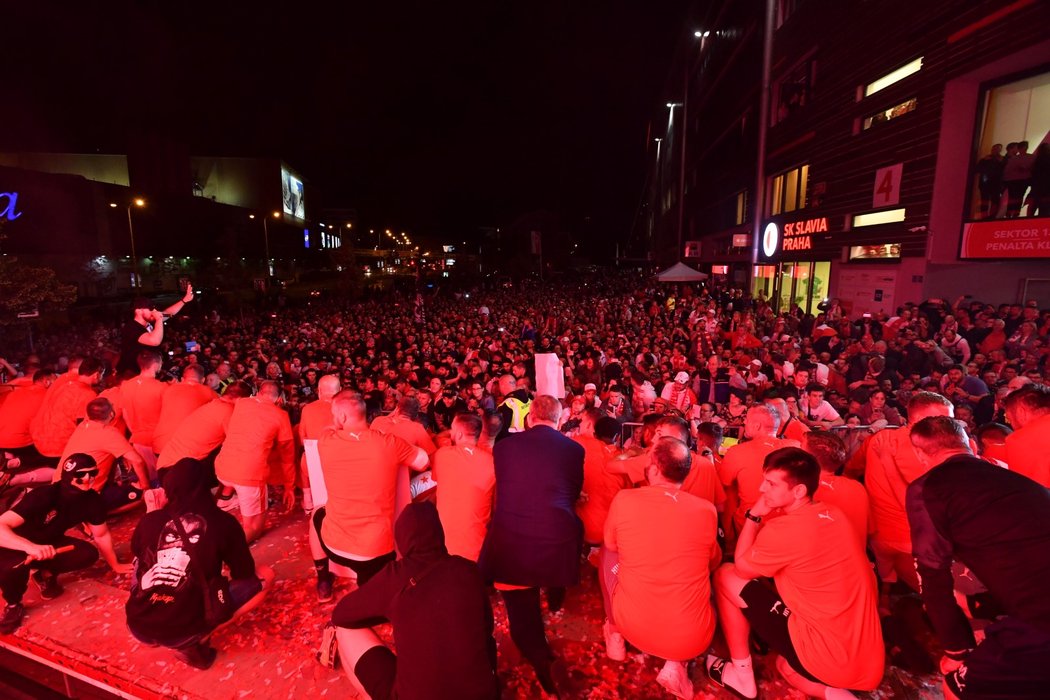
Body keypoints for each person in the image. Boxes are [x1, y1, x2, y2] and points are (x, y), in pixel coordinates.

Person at [707, 447, 884, 699]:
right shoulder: (835, 514)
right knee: (785, 666)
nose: (761, 490)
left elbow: (742, 567)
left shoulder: (783, 529)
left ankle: (741, 674)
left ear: (799, 491)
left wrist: (754, 516)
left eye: (770, 483)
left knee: (726, 575)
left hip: (822, 653)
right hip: (866, 658)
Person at [906, 416, 1050, 699]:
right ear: (971, 445)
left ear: (920, 455)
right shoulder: (1014, 479)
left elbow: (932, 575)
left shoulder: (927, 489)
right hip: (1033, 602)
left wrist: (955, 650)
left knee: (954, 686)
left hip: (1040, 621)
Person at [329, 501, 499, 700]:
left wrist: (391, 610)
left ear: (401, 541)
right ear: (439, 534)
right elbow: (486, 631)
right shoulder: (469, 570)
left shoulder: (396, 575)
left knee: (343, 631)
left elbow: (341, 615)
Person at [478, 394, 583, 697]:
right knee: (568, 528)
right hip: (558, 542)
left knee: (523, 617)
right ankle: (555, 594)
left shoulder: (506, 446)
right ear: (560, 419)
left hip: (513, 541)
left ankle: (544, 661)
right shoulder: (574, 450)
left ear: (530, 416)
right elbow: (571, 491)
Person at [601, 437, 720, 699]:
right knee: (703, 575)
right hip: (694, 639)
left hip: (632, 626)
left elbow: (611, 543)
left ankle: (614, 632)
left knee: (608, 552)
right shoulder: (706, 510)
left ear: (653, 469)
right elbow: (713, 562)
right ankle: (676, 663)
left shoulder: (625, 499)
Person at [126, 458, 274, 669]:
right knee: (265, 575)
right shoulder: (223, 522)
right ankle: (199, 636)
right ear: (206, 486)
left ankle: (156, 635)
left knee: (140, 561)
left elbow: (138, 554)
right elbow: (244, 572)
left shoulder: (150, 520)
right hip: (184, 629)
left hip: (138, 626)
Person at [312, 392, 428, 600]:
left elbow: (327, 429)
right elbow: (423, 461)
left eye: (334, 415)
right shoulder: (390, 442)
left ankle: (322, 579)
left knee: (316, 514)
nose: (333, 419)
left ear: (343, 418)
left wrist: (336, 426)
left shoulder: (326, 441)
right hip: (376, 551)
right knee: (373, 595)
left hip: (335, 546)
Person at [0, 454, 132, 634]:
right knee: (13, 568)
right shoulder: (45, 495)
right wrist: (30, 548)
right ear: (69, 475)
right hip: (13, 544)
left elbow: (101, 534)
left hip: (48, 542)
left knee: (87, 554)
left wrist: (115, 564)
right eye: (81, 474)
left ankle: (43, 572)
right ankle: (13, 604)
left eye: (92, 473)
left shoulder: (92, 499)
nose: (88, 479)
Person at [864, 391, 953, 594]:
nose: (953, 426)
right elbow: (916, 504)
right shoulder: (933, 450)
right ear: (921, 419)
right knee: (934, 595)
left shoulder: (880, 438)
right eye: (945, 420)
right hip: (913, 541)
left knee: (887, 579)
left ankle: (885, 599)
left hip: (879, 535)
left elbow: (852, 468)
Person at [213, 381, 296, 542]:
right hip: (249, 476)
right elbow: (287, 458)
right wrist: (289, 487)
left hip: (222, 469)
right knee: (253, 528)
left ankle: (225, 500)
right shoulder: (281, 415)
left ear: (258, 392)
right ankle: (226, 553)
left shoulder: (242, 403)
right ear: (279, 399)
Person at [717, 405, 799, 542]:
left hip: (751, 527)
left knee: (729, 491)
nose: (744, 422)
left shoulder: (736, 452)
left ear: (757, 426)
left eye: (747, 420)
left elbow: (723, 485)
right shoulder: (796, 447)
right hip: (790, 526)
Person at [57, 398, 150, 513]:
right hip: (82, 497)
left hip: (60, 491)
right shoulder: (108, 433)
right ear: (111, 414)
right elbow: (137, 461)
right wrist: (146, 487)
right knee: (142, 495)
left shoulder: (82, 426)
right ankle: (92, 515)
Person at [432, 412, 495, 561]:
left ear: (459, 435)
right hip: (478, 550)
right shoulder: (492, 461)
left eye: (453, 429)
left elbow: (440, 439)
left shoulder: (442, 455)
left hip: (444, 548)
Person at [802, 430, 869, 548]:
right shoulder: (858, 488)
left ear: (806, 459)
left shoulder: (802, 491)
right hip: (854, 560)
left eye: (800, 448)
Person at [30, 357, 103, 463]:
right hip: (61, 449)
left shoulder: (64, 385)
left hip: (40, 441)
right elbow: (83, 427)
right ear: (96, 374)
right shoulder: (88, 394)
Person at [118, 286, 195, 376]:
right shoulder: (131, 328)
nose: (154, 311)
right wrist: (159, 319)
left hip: (146, 371)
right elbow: (154, 341)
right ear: (139, 311)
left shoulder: (149, 322)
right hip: (132, 374)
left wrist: (184, 300)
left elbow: (169, 313)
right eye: (150, 309)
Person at [119, 350, 168, 484]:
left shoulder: (126, 386)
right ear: (156, 364)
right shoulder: (162, 387)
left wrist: (135, 431)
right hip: (157, 442)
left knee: (148, 481)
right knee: (164, 481)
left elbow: (125, 413)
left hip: (137, 440)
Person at [152, 365, 216, 457]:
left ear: (182, 379)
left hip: (161, 444)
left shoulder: (167, 389)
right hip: (187, 449)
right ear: (203, 380)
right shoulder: (210, 393)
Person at [1002, 383, 1050, 487]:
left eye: (1009, 419)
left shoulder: (1018, 440)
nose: (1012, 426)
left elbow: (1031, 493)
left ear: (1021, 411)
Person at [495, 373, 531, 440]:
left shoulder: (506, 405)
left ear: (501, 386)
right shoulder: (529, 400)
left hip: (515, 443)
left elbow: (501, 434)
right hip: (530, 440)